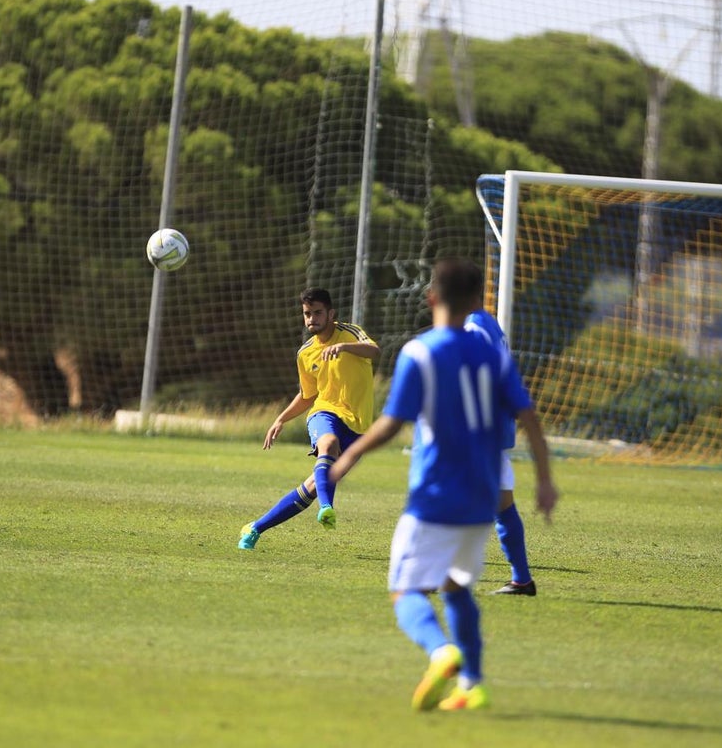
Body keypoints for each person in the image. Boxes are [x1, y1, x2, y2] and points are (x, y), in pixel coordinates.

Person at [327, 258, 558, 712]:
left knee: (405, 590)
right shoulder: (493, 353)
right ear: (477, 303)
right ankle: (472, 683)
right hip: (480, 496)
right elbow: (527, 415)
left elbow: (393, 423)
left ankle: (440, 652)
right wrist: (546, 481)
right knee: (455, 587)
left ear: (431, 297)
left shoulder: (421, 353)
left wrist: (351, 453)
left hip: (435, 495)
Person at [237, 288, 379, 550]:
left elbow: (373, 350)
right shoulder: (305, 353)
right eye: (307, 314)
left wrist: (344, 347)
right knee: (328, 443)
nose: (311, 318)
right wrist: (281, 419)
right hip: (324, 412)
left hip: (359, 425)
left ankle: (255, 527)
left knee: (315, 485)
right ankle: (327, 507)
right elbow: (307, 396)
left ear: (331, 314)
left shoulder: (350, 334)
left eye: (317, 313)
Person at [465, 304, 546, 596]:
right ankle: (522, 579)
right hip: (494, 428)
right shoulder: (488, 322)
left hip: (479, 430)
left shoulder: (473, 328)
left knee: (449, 501)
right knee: (502, 506)